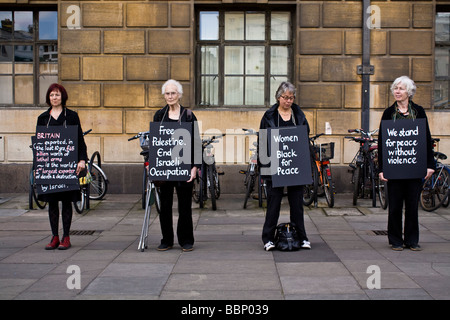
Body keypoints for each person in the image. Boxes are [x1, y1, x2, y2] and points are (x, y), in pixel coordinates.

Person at [378, 76, 435, 251]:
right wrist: (382, 168)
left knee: (412, 205)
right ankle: (395, 240)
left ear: (408, 92)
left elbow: (426, 138)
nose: (397, 91)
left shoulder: (418, 111)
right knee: (394, 205)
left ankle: (412, 240)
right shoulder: (389, 113)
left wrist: (430, 165)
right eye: (395, 88)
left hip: (414, 166)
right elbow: (382, 141)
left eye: (401, 89)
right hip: (394, 167)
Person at [259, 81, 311, 251]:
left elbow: (305, 138)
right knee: (274, 202)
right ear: (278, 97)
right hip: (275, 167)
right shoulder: (269, 116)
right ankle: (268, 238)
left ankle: (301, 237)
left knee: (297, 203)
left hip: (295, 166)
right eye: (285, 97)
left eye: (291, 98)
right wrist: (264, 168)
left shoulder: (299, 115)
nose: (288, 101)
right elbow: (263, 142)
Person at [36, 83, 88, 250]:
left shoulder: (71, 116)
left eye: (57, 95)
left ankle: (66, 236)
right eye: (51, 95)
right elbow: (40, 145)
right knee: (52, 203)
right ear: (48, 98)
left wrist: (82, 160)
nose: (54, 98)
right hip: (50, 167)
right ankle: (54, 236)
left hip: (68, 166)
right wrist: (38, 165)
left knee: (66, 202)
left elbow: (80, 140)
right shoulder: (43, 118)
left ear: (62, 97)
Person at [153, 79, 199, 252]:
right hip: (165, 166)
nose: (170, 96)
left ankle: (186, 240)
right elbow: (156, 142)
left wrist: (194, 167)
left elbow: (195, 142)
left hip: (184, 167)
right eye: (167, 93)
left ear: (179, 95)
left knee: (184, 206)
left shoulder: (188, 115)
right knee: (164, 206)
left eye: (173, 93)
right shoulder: (159, 115)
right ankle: (167, 239)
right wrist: (153, 164)